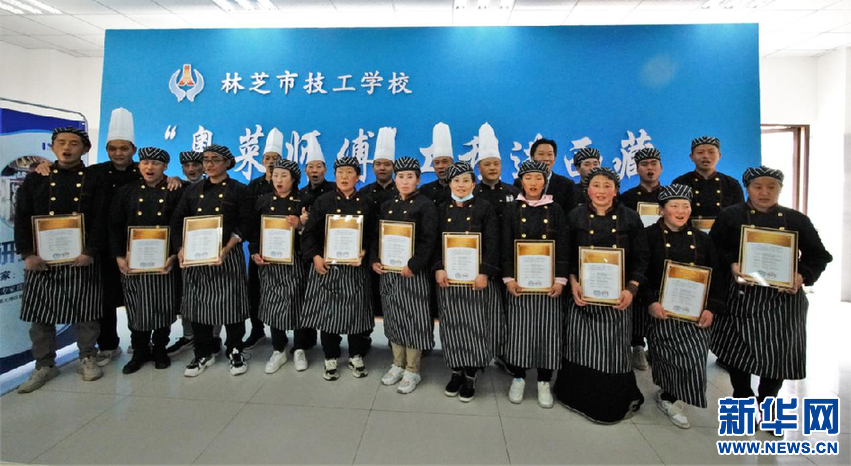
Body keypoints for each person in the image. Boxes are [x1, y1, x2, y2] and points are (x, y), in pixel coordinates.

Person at [710, 166, 832, 408]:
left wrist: (801, 276)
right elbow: (714, 249)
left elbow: (819, 256)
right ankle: (742, 395)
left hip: (782, 299)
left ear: (780, 189)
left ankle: (769, 399)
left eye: (771, 187)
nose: (764, 192)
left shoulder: (796, 219)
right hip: (742, 295)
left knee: (779, 352)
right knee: (737, 349)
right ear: (748, 188)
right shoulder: (730, 216)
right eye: (757, 187)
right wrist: (732, 263)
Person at [16, 127, 106, 393]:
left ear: (85, 149)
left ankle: (87, 356)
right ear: (53, 147)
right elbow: (22, 217)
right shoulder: (36, 178)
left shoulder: (95, 179)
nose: (67, 148)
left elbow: (101, 218)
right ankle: (44, 364)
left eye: (74, 143)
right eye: (61, 143)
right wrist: (27, 253)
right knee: (40, 314)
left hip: (81, 255)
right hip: (42, 257)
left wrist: (90, 251)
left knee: (87, 311)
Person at [557, 166, 649, 423]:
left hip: (618, 296)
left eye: (607, 186)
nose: (601, 191)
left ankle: (611, 401)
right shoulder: (574, 215)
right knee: (580, 346)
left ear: (616, 190)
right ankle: (575, 396)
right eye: (596, 185)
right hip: (581, 294)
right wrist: (572, 281)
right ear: (587, 190)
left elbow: (642, 257)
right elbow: (565, 253)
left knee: (613, 350)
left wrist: (631, 288)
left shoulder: (630, 217)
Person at [642, 184, 724, 429]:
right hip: (662, 307)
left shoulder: (702, 239)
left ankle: (677, 395)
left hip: (696, 309)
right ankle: (668, 396)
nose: (680, 211)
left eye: (685, 206)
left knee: (695, 355)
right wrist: (650, 301)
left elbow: (716, 275)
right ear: (661, 210)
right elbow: (641, 271)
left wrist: (711, 307)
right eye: (674, 205)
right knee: (665, 354)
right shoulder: (648, 236)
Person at [171, 144, 251, 377]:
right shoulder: (192, 191)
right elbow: (177, 221)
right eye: (206, 160)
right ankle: (203, 353)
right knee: (198, 306)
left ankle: (235, 350)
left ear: (227, 163)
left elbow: (245, 223)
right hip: (196, 256)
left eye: (215, 159)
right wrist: (180, 249)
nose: (209, 164)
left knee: (233, 306)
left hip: (228, 255)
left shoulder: (239, 190)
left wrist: (227, 248)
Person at [109, 147, 183, 374]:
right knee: (136, 306)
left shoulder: (175, 190)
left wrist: (174, 255)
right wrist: (119, 256)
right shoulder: (126, 191)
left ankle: (160, 349)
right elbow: (114, 225)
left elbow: (180, 225)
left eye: (156, 164)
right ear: (139, 165)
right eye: (145, 163)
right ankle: (139, 350)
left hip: (164, 259)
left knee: (163, 305)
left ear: (165, 167)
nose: (150, 168)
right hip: (134, 259)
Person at [502, 159, 569, 409]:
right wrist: (508, 278)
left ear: (545, 182)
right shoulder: (511, 209)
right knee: (519, 330)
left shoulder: (556, 209)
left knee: (548, 331)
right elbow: (505, 244)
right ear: (521, 181)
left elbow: (563, 245)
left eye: (538, 178)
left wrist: (560, 279)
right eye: (528, 178)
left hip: (547, 283)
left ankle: (543, 380)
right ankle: (518, 377)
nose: (533, 183)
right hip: (519, 282)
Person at [300, 156, 374, 381]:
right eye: (340, 172)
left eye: (349, 172)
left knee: (356, 312)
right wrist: (315, 257)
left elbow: (373, 235)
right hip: (328, 267)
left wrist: (364, 253)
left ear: (358, 177)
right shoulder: (323, 201)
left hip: (355, 268)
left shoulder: (367, 202)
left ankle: (356, 355)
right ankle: (330, 356)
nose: (344, 177)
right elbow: (309, 233)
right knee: (328, 314)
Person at [434, 161, 502, 402]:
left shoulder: (485, 208)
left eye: (465, 180)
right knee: (452, 325)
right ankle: (455, 371)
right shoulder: (441, 209)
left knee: (475, 326)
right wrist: (438, 267)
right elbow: (434, 242)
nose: (460, 185)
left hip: (476, 280)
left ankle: (471, 373)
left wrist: (485, 272)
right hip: (450, 280)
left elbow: (493, 242)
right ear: (449, 184)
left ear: (474, 183)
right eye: (456, 181)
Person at [371, 157, 438, 394]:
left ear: (418, 179)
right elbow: (377, 236)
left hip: (413, 274)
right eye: (401, 176)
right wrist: (375, 259)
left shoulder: (426, 205)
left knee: (414, 319)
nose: (405, 181)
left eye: (410, 177)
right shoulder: (387, 205)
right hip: (389, 273)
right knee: (393, 317)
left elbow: (429, 240)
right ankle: (397, 363)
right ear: (395, 179)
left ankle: (412, 369)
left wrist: (414, 265)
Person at [248, 159, 309, 373]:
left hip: (296, 261)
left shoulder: (304, 200)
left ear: (294, 179)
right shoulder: (262, 201)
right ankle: (278, 348)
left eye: (284, 176)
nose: (279, 180)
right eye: (275, 175)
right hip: (270, 262)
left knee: (299, 303)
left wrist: (300, 226)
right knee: (273, 302)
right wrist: (254, 251)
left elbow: (314, 234)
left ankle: (300, 348)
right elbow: (254, 230)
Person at [619, 146, 664, 371]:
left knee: (660, 295)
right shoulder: (627, 197)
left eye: (653, 164)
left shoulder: (670, 195)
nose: (649, 168)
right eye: (644, 165)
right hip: (636, 253)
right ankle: (637, 345)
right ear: (637, 169)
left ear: (660, 168)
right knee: (637, 299)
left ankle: (657, 346)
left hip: (662, 253)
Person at [244, 128, 285, 350]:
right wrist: (253, 248)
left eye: (275, 158)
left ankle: (281, 334)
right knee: (255, 291)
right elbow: (250, 220)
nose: (271, 162)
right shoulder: (253, 186)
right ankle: (257, 330)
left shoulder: (289, 185)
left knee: (281, 292)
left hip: (283, 249)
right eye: (268, 158)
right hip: (259, 247)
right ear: (262, 161)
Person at [164, 150, 207, 356]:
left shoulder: (215, 186)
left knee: (212, 294)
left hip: (210, 247)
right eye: (187, 166)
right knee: (186, 294)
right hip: (184, 249)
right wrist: (178, 248)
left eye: (196, 165)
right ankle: (188, 335)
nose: (191, 169)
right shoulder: (176, 187)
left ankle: (212, 337)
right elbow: (174, 220)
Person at [360, 128, 399, 320]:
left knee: (394, 300)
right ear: (373, 166)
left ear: (393, 167)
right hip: (367, 253)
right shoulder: (364, 192)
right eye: (378, 164)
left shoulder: (401, 192)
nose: (382, 168)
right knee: (369, 298)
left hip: (396, 253)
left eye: (386, 164)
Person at [671, 136, 744, 219]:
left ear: (719, 156)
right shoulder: (680, 183)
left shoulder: (731, 184)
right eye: (700, 152)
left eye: (711, 152)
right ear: (691, 156)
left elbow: (739, 215)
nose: (706, 156)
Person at [472, 124, 519, 221]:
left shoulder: (514, 192)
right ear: (479, 167)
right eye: (487, 164)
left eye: (496, 164)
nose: (492, 168)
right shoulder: (472, 193)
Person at [419, 122, 454, 207]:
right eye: (436, 163)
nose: (440, 166)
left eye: (445, 162)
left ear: (453, 163)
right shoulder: (424, 190)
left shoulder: (461, 188)